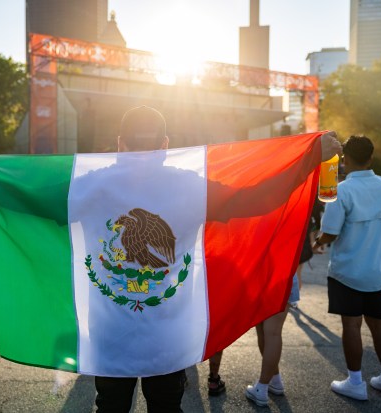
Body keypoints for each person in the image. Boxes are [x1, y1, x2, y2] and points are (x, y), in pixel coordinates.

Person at [92, 106, 341, 412]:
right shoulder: (188, 186)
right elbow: (258, 198)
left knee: (110, 407)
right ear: (166, 144)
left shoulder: (91, 185)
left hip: (112, 330)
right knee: (166, 407)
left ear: (120, 144)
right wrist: (309, 159)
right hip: (168, 331)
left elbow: (31, 198)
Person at [313, 135, 381, 400]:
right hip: (378, 271)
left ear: (345, 160)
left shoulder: (342, 190)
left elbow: (330, 232)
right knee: (379, 326)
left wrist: (318, 242)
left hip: (348, 272)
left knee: (351, 326)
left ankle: (355, 383)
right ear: (371, 158)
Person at [245, 273, 300, 406]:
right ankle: (275, 380)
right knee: (272, 333)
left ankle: (262, 387)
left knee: (266, 333)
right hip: (287, 276)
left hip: (263, 276)